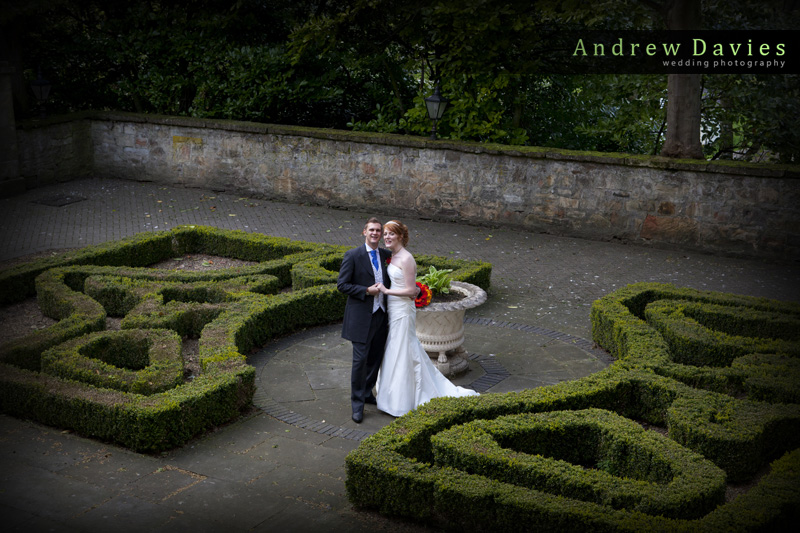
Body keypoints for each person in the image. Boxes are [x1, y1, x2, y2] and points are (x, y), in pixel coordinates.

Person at [375, 220, 479, 417]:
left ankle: (403, 399)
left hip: (403, 310)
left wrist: (387, 291)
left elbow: (411, 290)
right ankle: (390, 395)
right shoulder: (393, 256)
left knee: (402, 349)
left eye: (391, 234)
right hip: (393, 309)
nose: (386, 237)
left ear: (400, 236)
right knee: (394, 349)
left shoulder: (406, 259)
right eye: (385, 234)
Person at [337, 217, 391, 424]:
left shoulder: (387, 255)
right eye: (372, 230)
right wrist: (366, 291)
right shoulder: (353, 256)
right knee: (359, 362)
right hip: (360, 318)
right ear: (364, 232)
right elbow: (342, 285)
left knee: (376, 358)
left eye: (379, 230)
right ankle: (357, 405)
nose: (376, 233)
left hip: (381, 315)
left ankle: (368, 392)